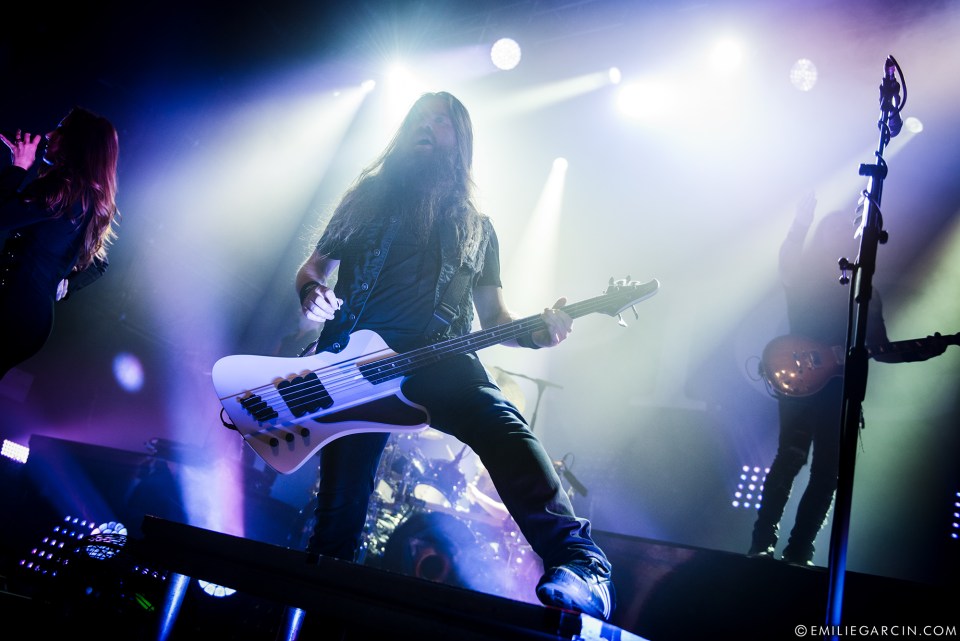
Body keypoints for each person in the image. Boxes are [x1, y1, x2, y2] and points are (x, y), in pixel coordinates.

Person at [294, 91, 614, 619]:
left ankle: (583, 565)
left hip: (441, 356)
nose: (427, 127)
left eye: (441, 122)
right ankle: (319, 617)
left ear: (460, 141)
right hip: (355, 365)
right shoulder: (367, 198)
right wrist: (311, 291)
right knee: (337, 520)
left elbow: (496, 318)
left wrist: (539, 334)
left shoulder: (477, 228)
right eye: (419, 119)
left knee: (504, 429)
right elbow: (313, 267)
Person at [748, 192, 946, 566]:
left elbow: (880, 348)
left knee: (828, 472)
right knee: (790, 457)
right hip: (799, 381)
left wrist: (927, 349)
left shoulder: (866, 293)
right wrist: (801, 223)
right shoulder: (804, 279)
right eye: (832, 228)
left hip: (840, 389)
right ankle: (761, 544)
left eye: (845, 230)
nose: (839, 234)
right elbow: (787, 261)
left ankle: (800, 550)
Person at [0, 106, 120, 380]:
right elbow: (100, 262)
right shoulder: (87, 198)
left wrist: (18, 167)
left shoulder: (61, 189)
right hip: (33, 318)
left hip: (12, 310)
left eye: (60, 130)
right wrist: (64, 285)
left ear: (75, 142)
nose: (48, 135)